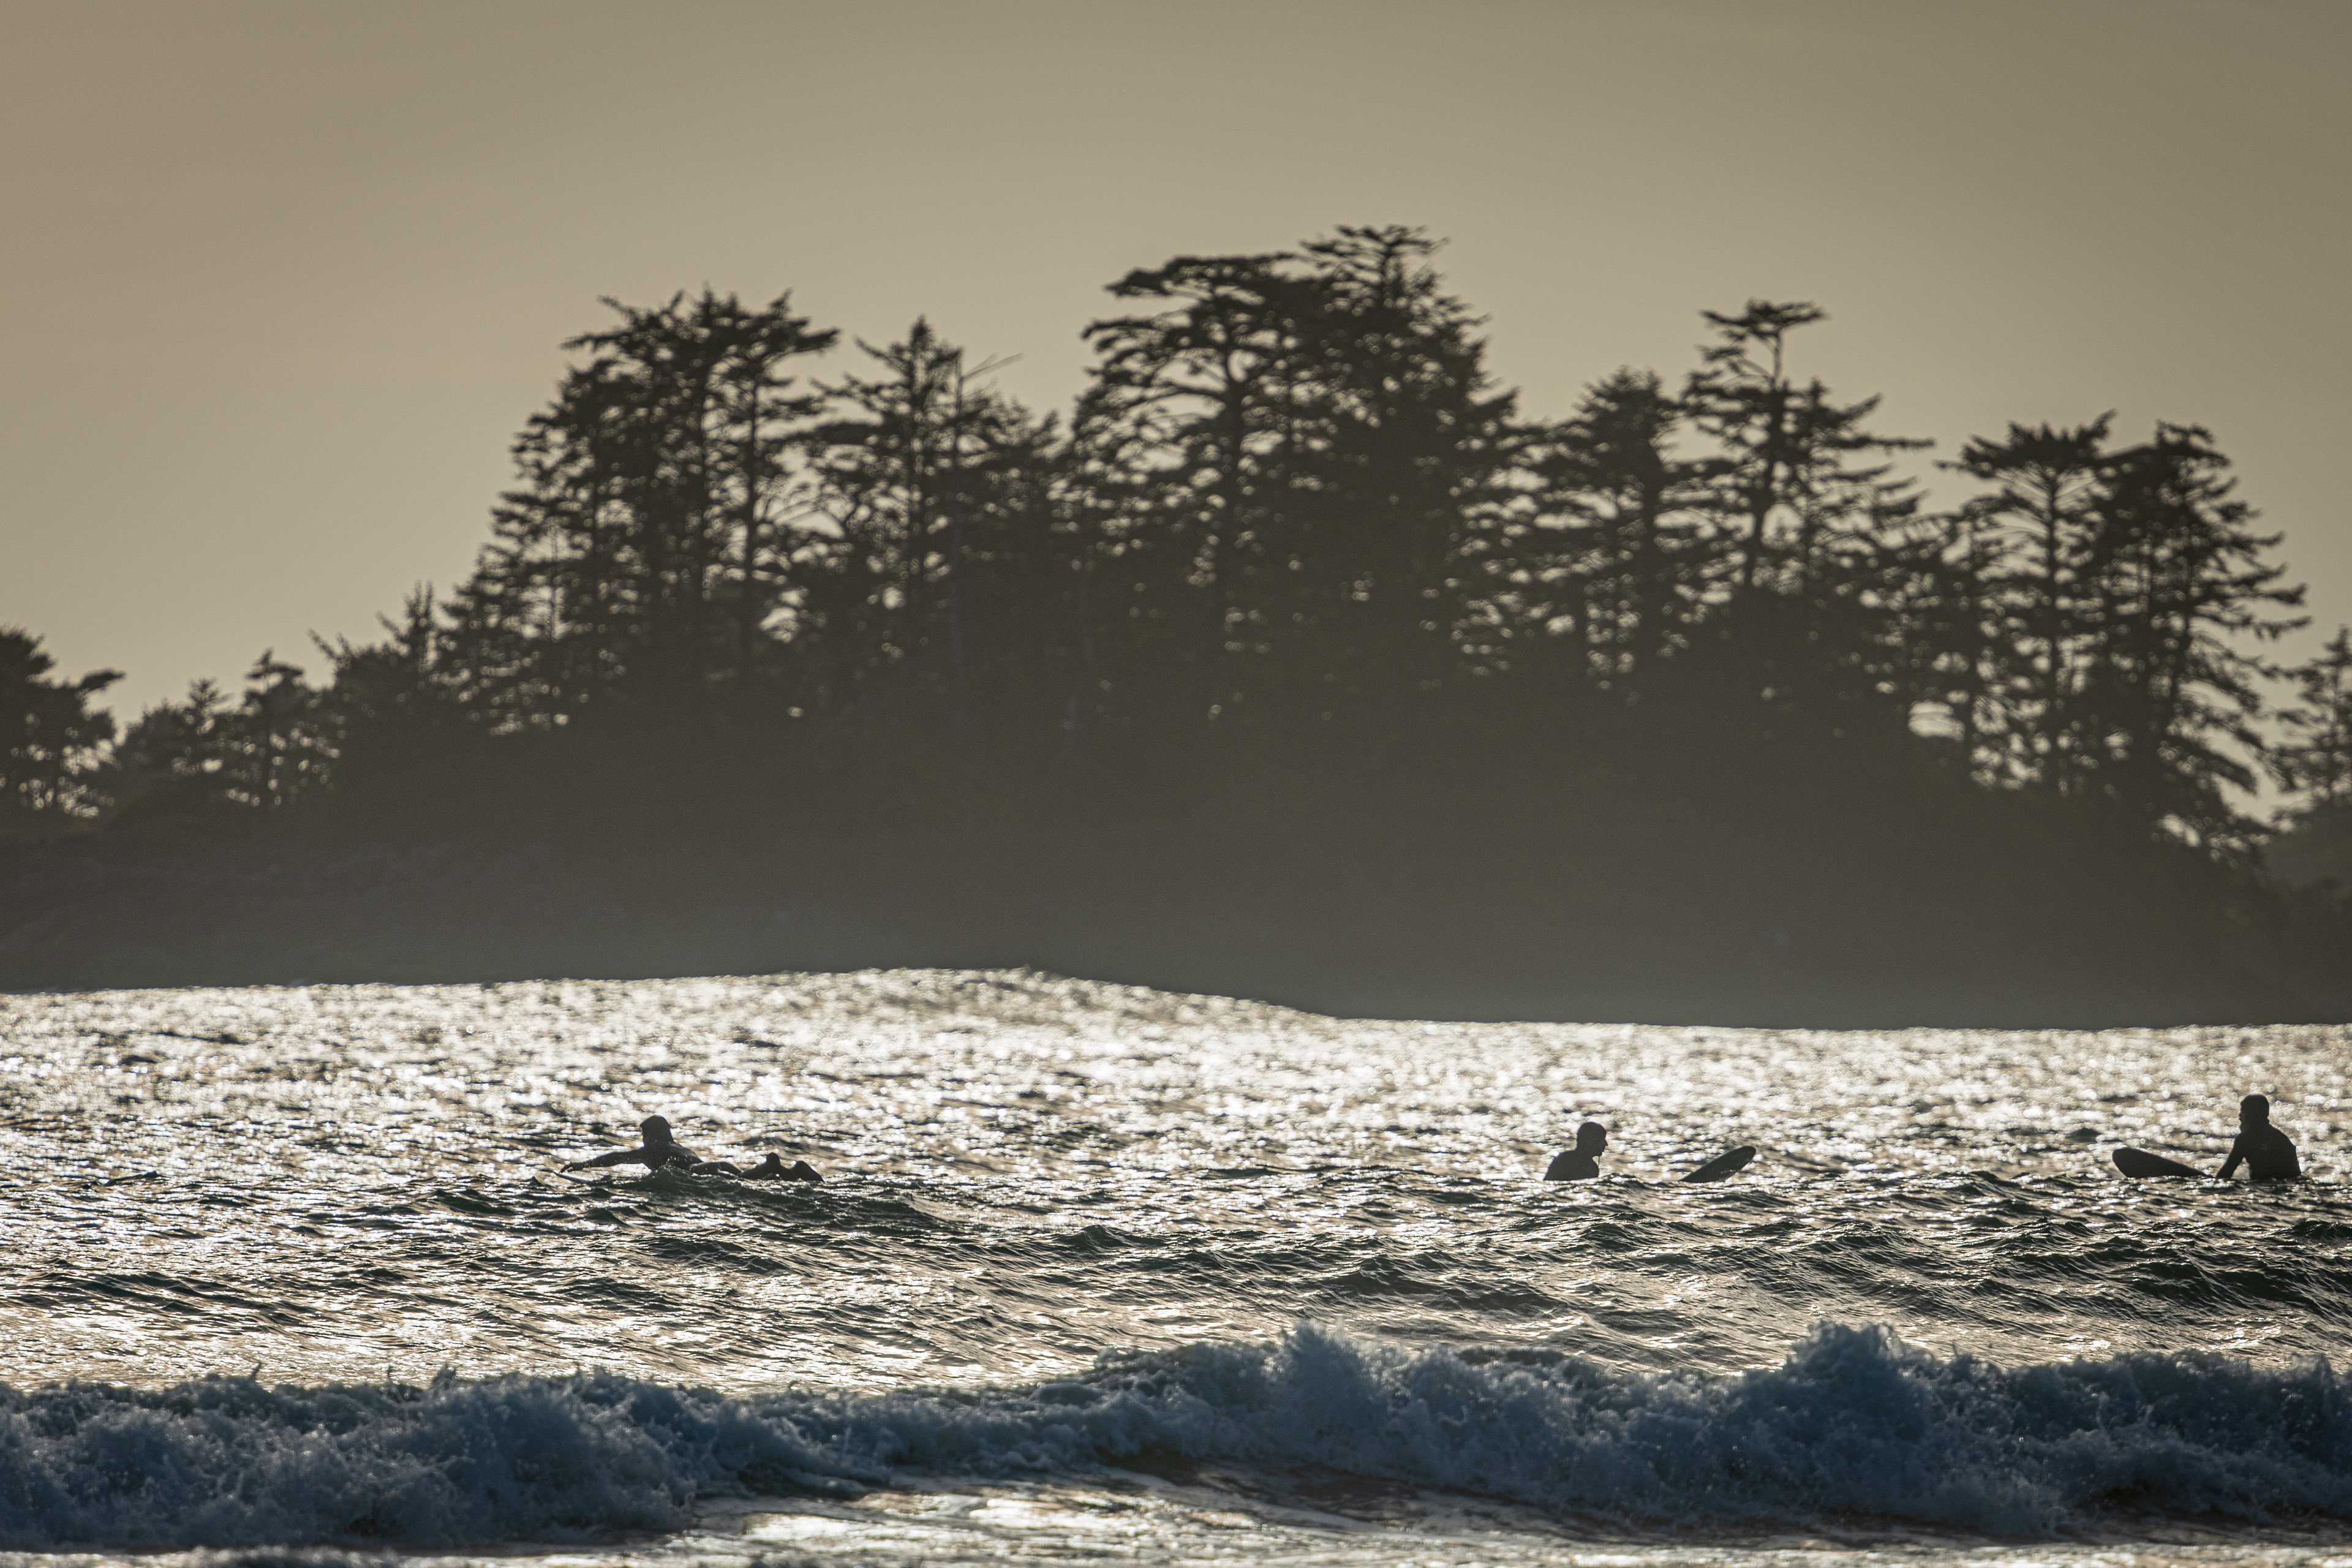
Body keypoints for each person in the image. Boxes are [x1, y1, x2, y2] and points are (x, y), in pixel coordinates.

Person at [567, 1115, 703, 1173]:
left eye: (644, 1135)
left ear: (650, 1136)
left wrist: (585, 1164)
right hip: (709, 1167)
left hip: (696, 1172)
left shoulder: (653, 1150)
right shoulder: (684, 1150)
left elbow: (617, 1157)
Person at [2218, 1094, 2301, 1182]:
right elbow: (2296, 1178)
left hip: (2260, 1191)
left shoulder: (2245, 1140)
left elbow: (2224, 1176)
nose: (2240, 1116)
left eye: (2243, 1111)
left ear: (2251, 1115)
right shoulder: (2283, 1140)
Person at [690, 1151, 823, 1183]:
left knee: (737, 1179)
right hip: (708, 1165)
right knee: (739, 1176)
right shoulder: (677, 1149)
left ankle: (769, 1167)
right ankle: (797, 1170)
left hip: (698, 1168)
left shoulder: (673, 1151)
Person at [1545, 1121, 1609, 1181]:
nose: (1606, 1144)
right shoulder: (1565, 1161)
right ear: (1591, 1141)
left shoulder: (1593, 1168)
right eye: (1602, 1139)